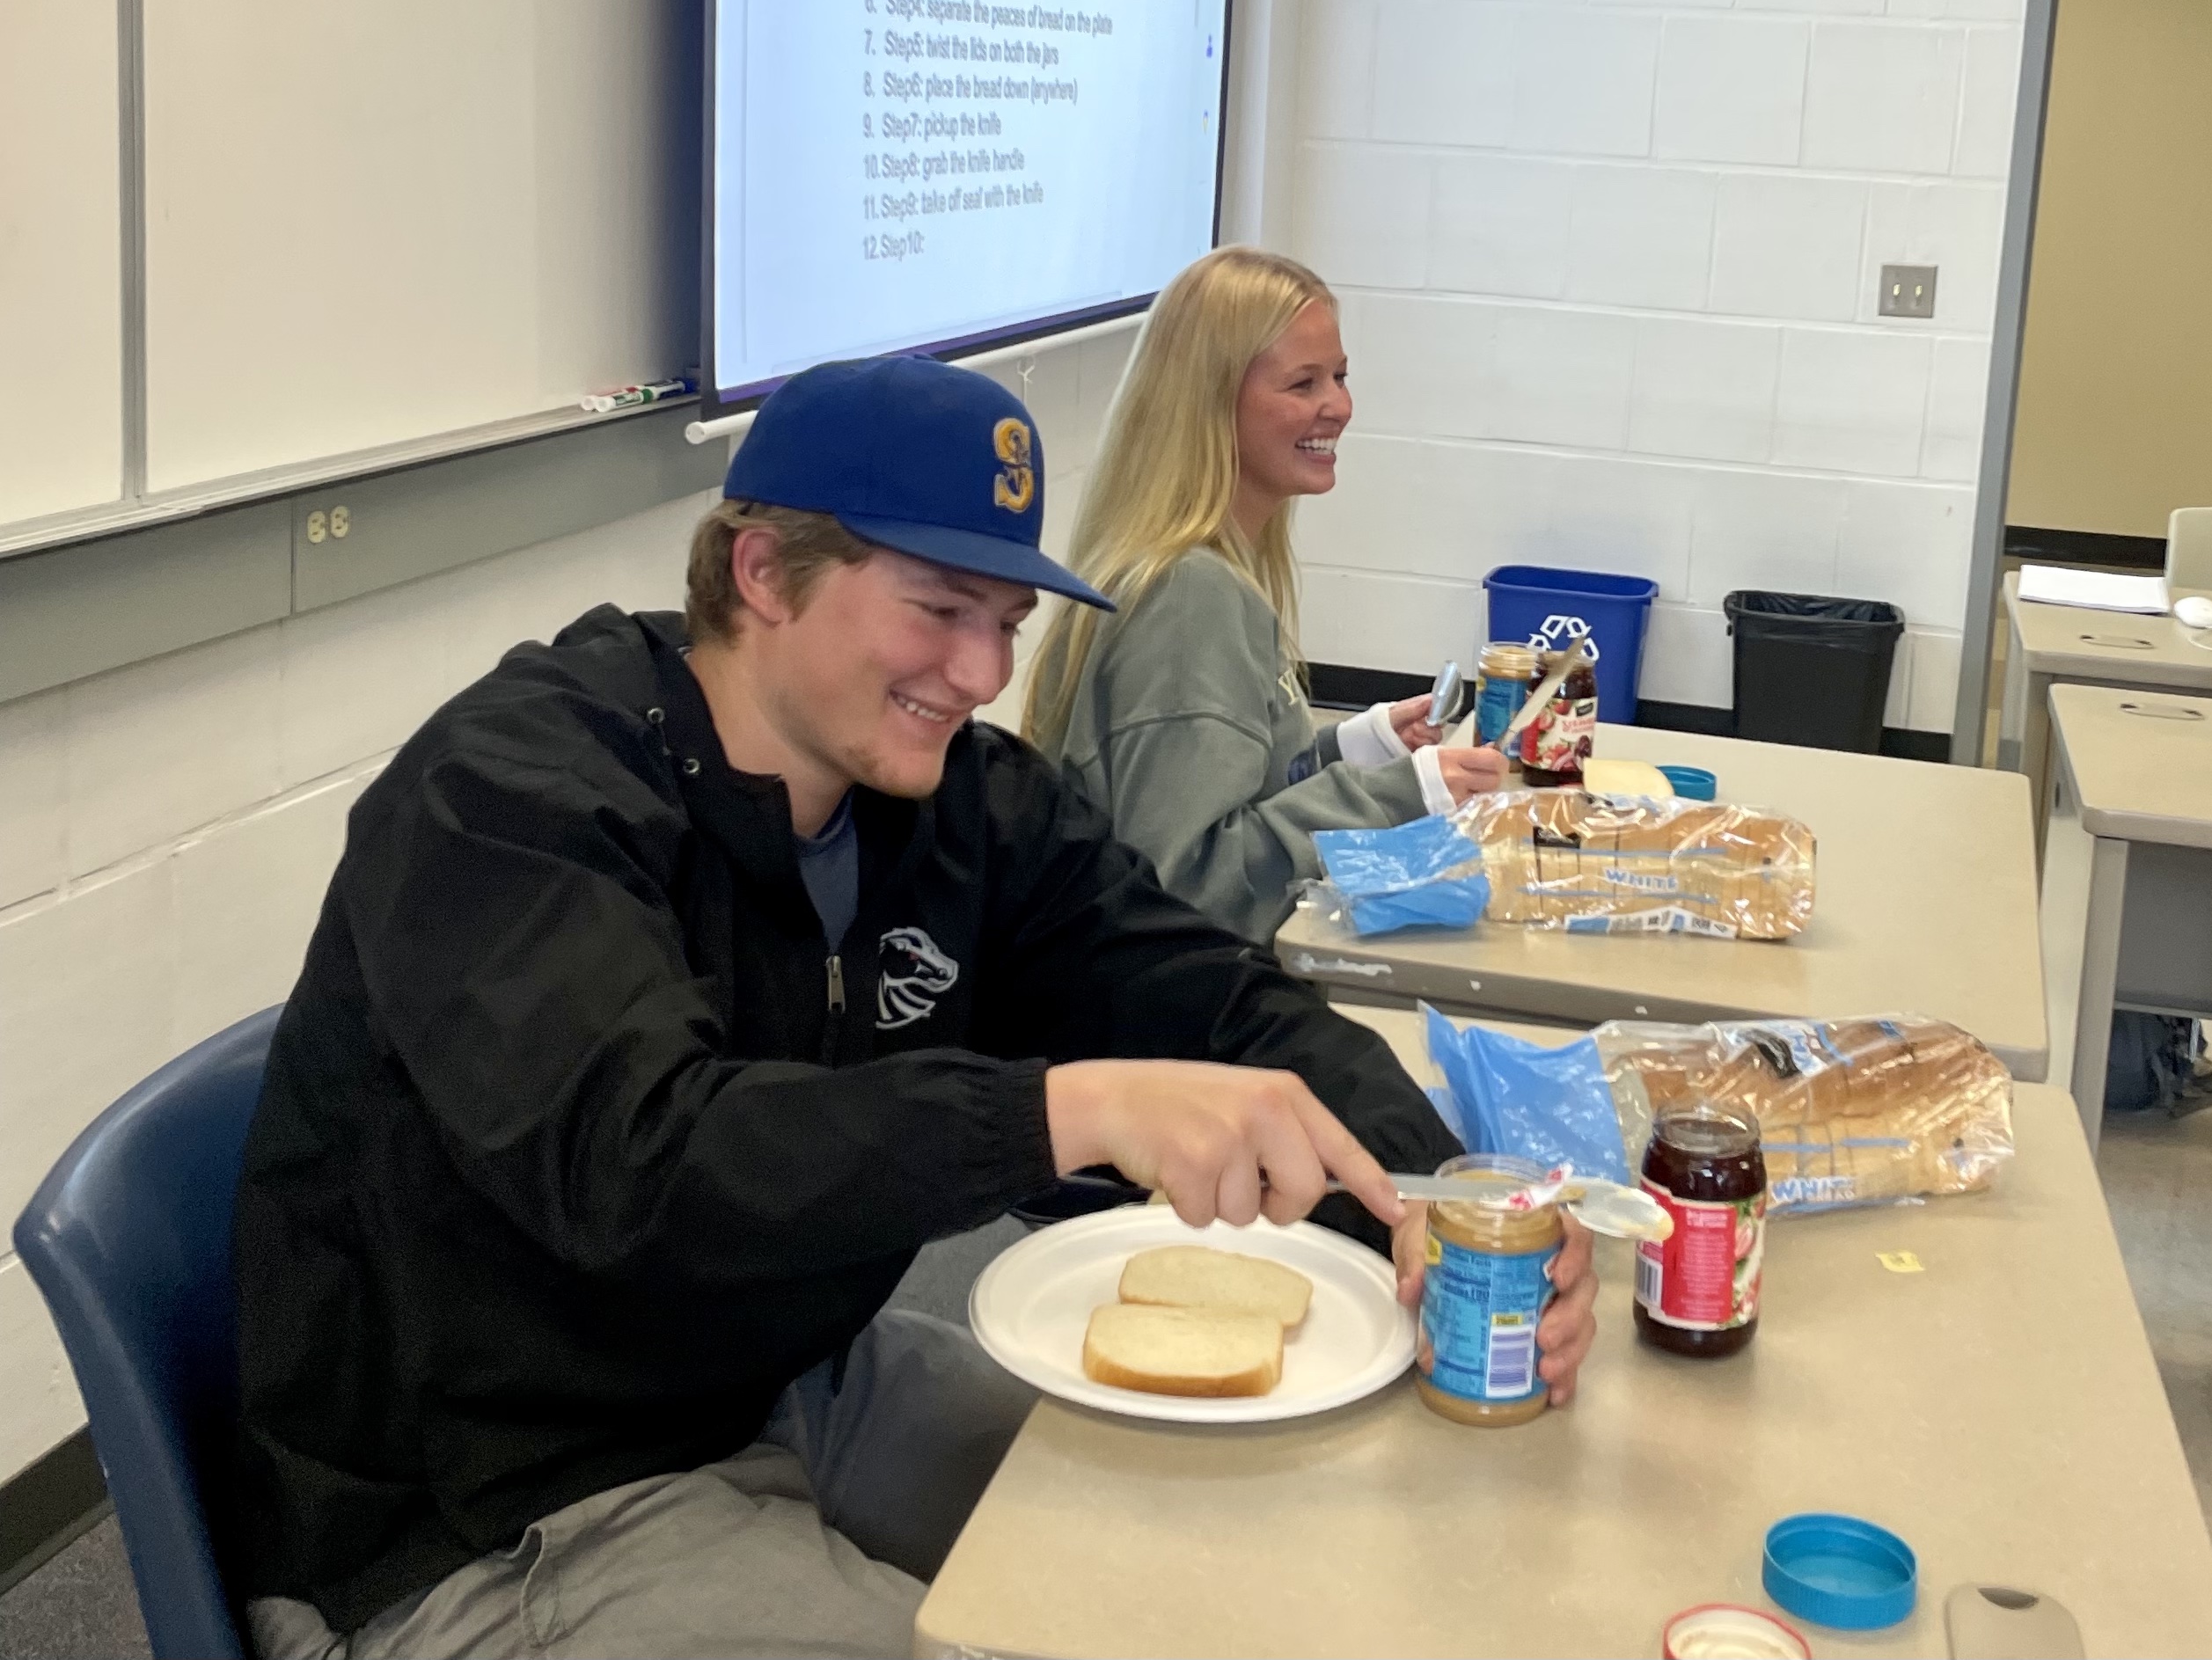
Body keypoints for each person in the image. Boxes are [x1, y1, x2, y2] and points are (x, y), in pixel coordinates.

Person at [231, 355, 1599, 1660]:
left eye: (1006, 622)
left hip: (773, 1371)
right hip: (498, 1505)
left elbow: (1218, 1001)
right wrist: (1062, 1107)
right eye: (938, 608)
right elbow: (643, 1161)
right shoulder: (512, 796)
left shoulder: (952, 803)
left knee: (1226, 1546)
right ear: (762, 570)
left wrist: (1447, 1202)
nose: (983, 673)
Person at [1021, 246, 1508, 941]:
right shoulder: (1188, 595)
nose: (1339, 406)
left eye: (1339, 376)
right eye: (1303, 383)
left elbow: (1220, 786)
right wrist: (1404, 794)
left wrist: (1355, 749)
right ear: (1212, 402)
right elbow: (1192, 883)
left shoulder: (1202, 569)